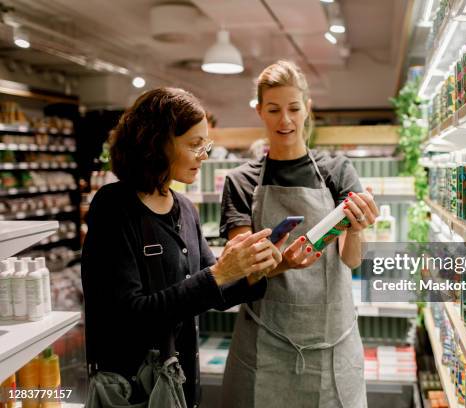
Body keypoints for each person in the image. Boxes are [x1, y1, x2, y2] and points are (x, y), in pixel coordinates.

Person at [81, 88, 286, 408]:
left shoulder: (185, 208)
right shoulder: (113, 208)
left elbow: (219, 292)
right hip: (134, 391)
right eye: (194, 144)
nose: (204, 154)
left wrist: (263, 266)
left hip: (180, 384)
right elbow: (130, 315)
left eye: (206, 144)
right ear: (155, 143)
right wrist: (220, 272)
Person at [220, 60, 379, 407]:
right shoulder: (241, 182)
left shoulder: (338, 171)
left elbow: (351, 260)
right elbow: (240, 273)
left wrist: (358, 227)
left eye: (293, 108)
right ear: (260, 111)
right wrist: (283, 265)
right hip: (263, 348)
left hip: (331, 347)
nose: (285, 120)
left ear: (307, 108)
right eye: (274, 109)